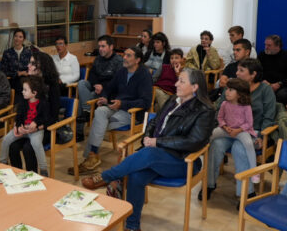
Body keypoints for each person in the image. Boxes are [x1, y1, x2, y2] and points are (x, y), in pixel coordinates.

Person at [81, 68, 215, 231]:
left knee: (149, 153)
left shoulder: (205, 110)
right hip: (157, 155)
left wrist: (157, 142)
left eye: (181, 81)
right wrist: (149, 137)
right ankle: (132, 227)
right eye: (177, 80)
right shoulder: (173, 99)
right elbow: (154, 122)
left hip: (183, 161)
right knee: (136, 175)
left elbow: (194, 142)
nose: (175, 84)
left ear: (195, 87)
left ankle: (106, 176)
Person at [202, 59, 276, 202]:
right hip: (228, 130)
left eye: (241, 70)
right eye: (237, 69)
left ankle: (245, 193)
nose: (236, 73)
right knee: (215, 145)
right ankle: (209, 184)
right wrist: (224, 126)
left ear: (253, 74)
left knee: (239, 148)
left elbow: (269, 116)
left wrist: (262, 135)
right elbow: (219, 109)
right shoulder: (231, 87)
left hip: (251, 133)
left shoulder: (265, 90)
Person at [71, 47, 152, 175]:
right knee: (99, 112)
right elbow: (109, 88)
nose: (124, 58)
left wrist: (123, 103)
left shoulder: (144, 75)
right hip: (115, 106)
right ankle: (93, 156)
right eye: (124, 55)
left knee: (99, 123)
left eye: (128, 56)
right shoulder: (122, 71)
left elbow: (146, 102)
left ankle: (91, 157)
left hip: (132, 112)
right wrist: (104, 97)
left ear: (137, 60)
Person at [8, 51, 61, 172]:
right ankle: (18, 175)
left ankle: (32, 178)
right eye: (29, 63)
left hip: (46, 128)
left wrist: (37, 126)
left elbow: (53, 116)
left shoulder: (52, 86)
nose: (28, 66)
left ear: (42, 66)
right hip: (27, 126)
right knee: (13, 146)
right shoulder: (27, 83)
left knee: (28, 147)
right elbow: (21, 109)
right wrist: (19, 125)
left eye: (32, 63)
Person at [210, 78, 260, 184]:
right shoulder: (224, 104)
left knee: (248, 143)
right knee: (211, 134)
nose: (227, 92)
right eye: (227, 89)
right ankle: (198, 156)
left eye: (231, 90)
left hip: (241, 131)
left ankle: (255, 171)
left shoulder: (246, 107)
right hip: (226, 130)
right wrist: (224, 127)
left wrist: (237, 130)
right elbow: (220, 118)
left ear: (240, 94)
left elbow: (249, 123)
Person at [0, 76, 50, 176]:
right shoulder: (23, 102)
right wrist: (18, 126)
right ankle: (3, 162)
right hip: (23, 129)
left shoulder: (43, 103)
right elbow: (18, 116)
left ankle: (43, 169)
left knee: (36, 144)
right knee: (6, 140)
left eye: (25, 90)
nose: (22, 92)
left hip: (35, 130)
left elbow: (45, 118)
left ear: (34, 93)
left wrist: (36, 123)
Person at [76, 35, 123, 141]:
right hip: (96, 87)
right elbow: (92, 75)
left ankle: (79, 131)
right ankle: (87, 111)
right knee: (82, 83)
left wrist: (103, 87)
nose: (100, 49)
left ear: (111, 47)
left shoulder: (119, 61)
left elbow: (117, 81)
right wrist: (96, 84)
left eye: (103, 46)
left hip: (108, 92)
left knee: (82, 101)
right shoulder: (98, 59)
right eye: (99, 46)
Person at [1, 28, 32, 100]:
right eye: (16, 36)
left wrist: (26, 73)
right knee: (20, 85)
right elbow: (3, 72)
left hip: (27, 79)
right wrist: (18, 73)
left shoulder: (28, 52)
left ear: (23, 39)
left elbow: (33, 67)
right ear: (13, 38)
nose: (17, 38)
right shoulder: (7, 53)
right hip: (12, 80)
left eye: (20, 37)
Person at [258, 35, 287, 105]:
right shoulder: (262, 55)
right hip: (264, 83)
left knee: (282, 95)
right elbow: (256, 70)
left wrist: (279, 84)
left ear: (278, 46)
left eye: (269, 45)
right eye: (265, 45)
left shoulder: (285, 56)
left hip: (281, 85)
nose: (266, 47)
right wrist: (262, 80)